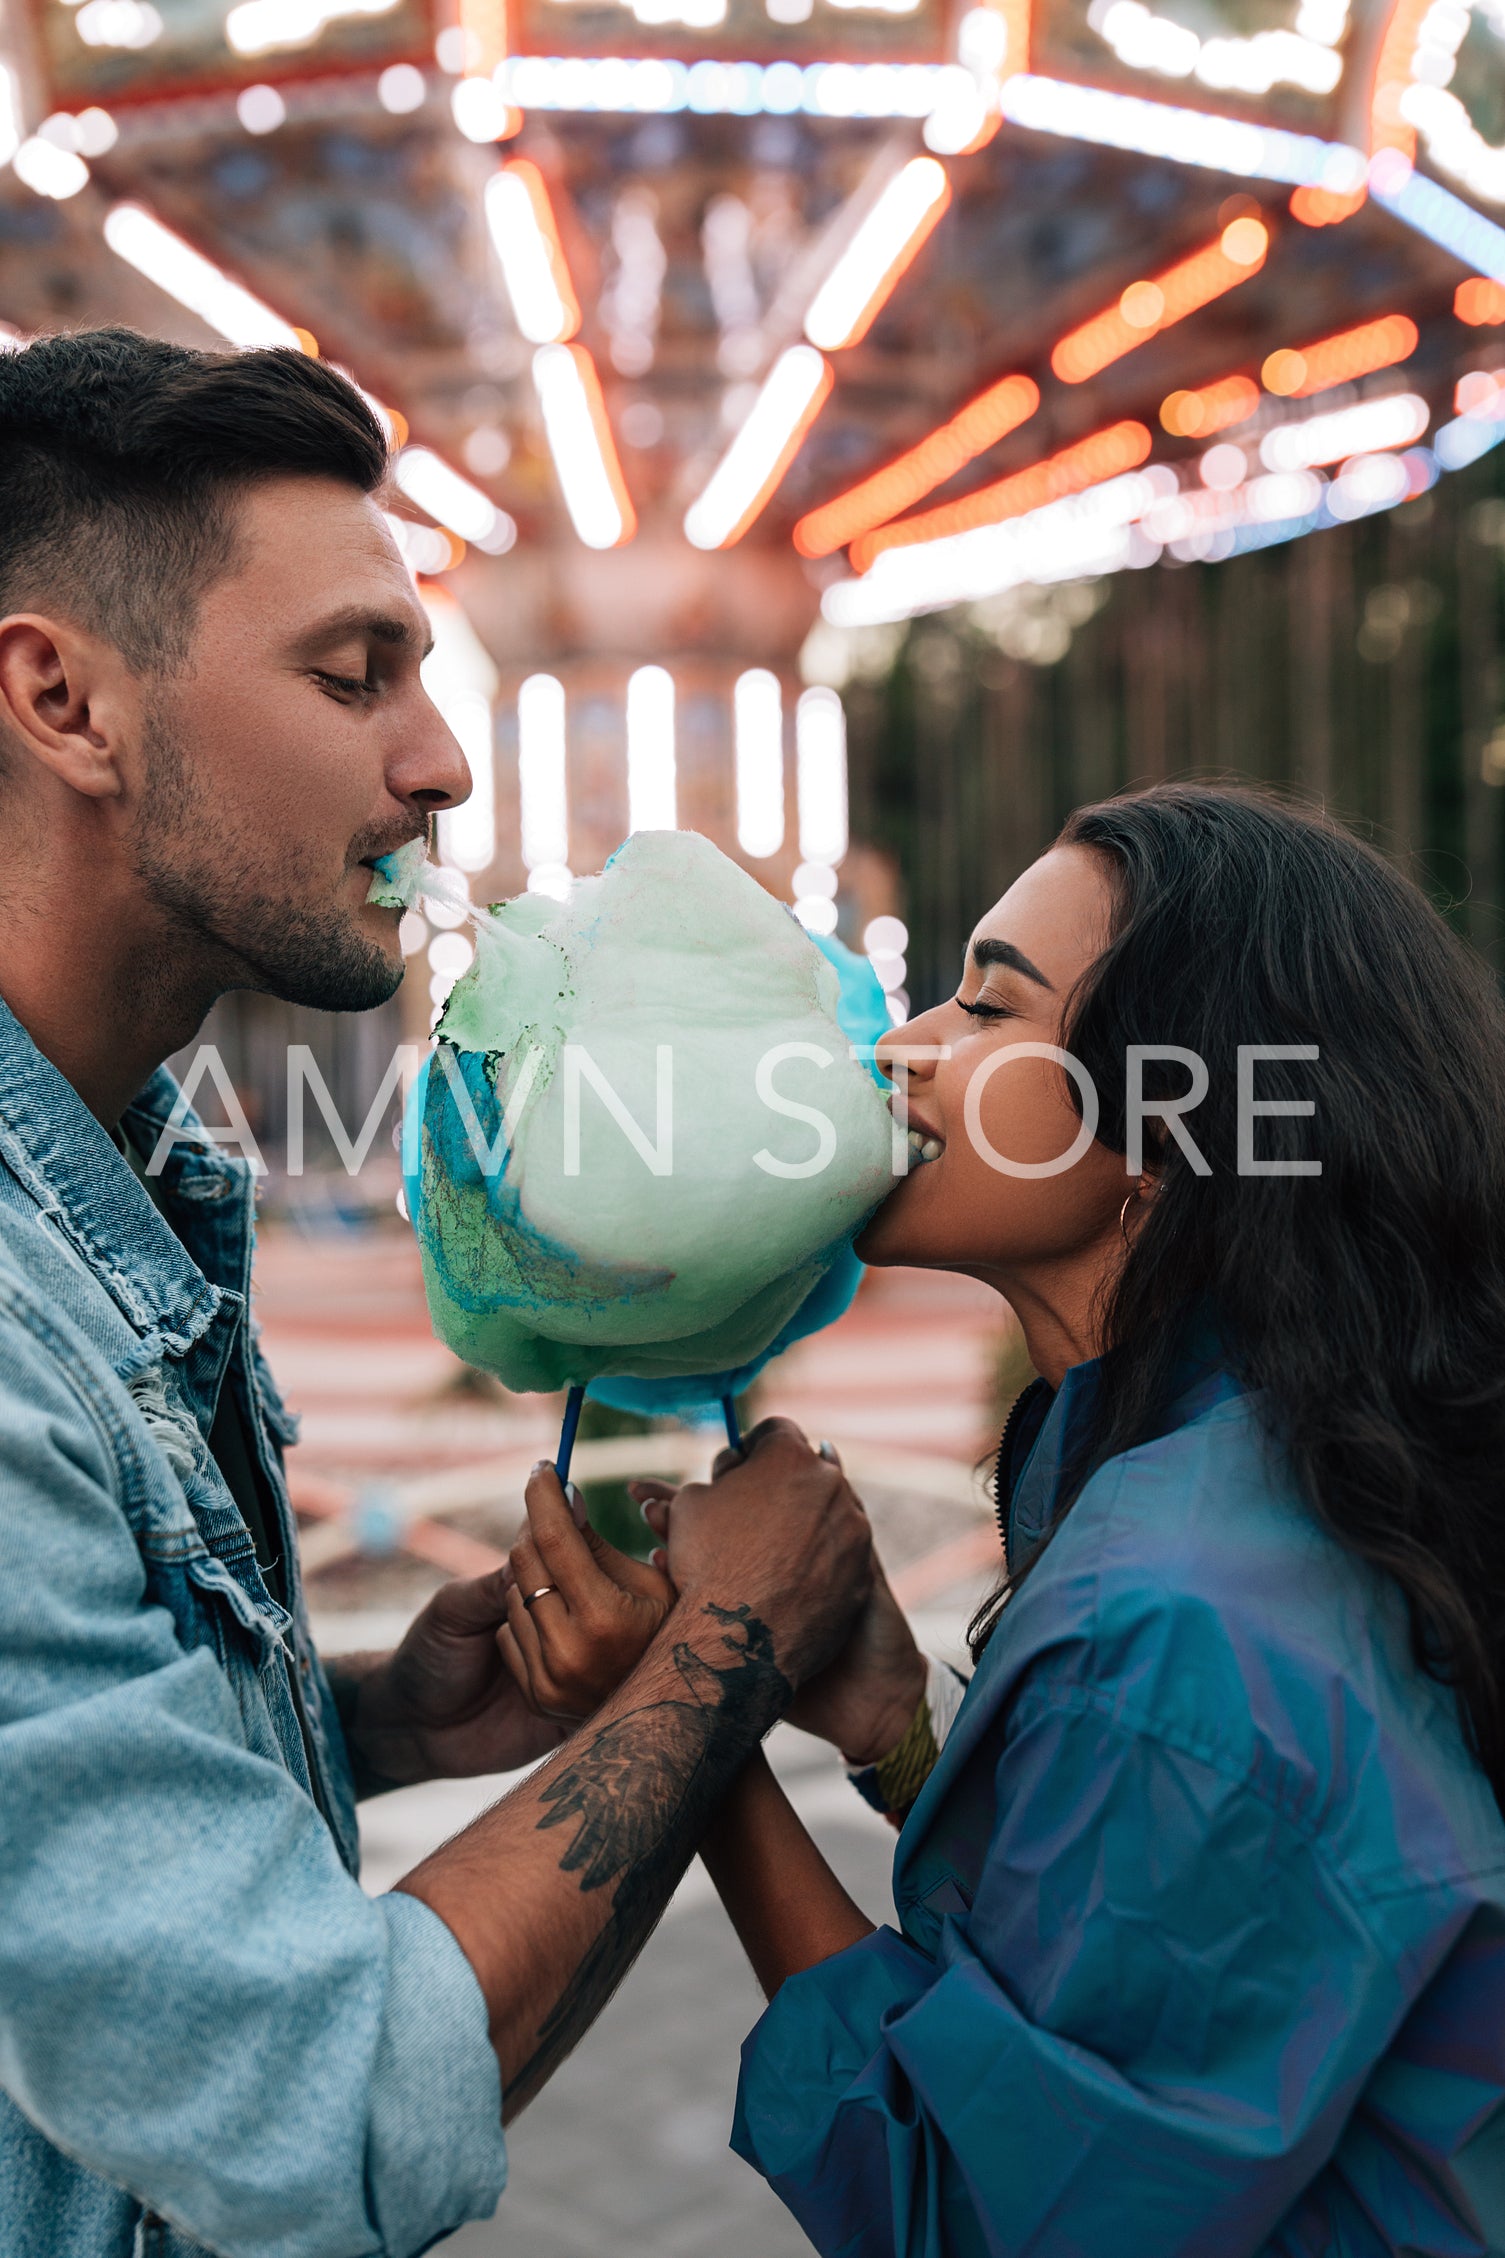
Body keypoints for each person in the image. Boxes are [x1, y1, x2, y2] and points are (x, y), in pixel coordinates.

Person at [0, 326, 875, 2258]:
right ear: (65, 699)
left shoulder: (130, 1188)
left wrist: (376, 1720)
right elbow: (312, 2106)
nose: (443, 757)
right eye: (353, 674)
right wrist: (720, 1653)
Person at [508, 784, 1505, 2256]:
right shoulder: (1256, 1475)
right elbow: (1144, 1963)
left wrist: (691, 1709)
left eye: (985, 1006)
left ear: (1168, 1126)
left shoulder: (1178, 1623)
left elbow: (970, 2207)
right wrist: (895, 1733)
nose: (898, 1049)